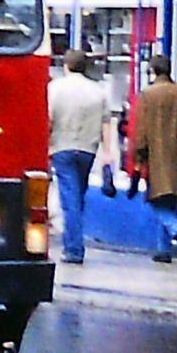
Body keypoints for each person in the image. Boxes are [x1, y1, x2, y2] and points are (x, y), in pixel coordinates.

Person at [133, 53, 177, 262]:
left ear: (152, 72)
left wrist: (139, 156)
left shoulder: (148, 95)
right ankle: (164, 250)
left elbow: (142, 131)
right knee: (168, 201)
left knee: (157, 201)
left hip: (158, 157)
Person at [48, 49, 108, 265]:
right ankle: (73, 240)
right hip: (87, 150)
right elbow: (106, 124)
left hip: (62, 148)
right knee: (77, 198)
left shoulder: (55, 88)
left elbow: (48, 120)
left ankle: (73, 249)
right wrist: (108, 154)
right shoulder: (98, 91)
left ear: (66, 66)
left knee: (70, 201)